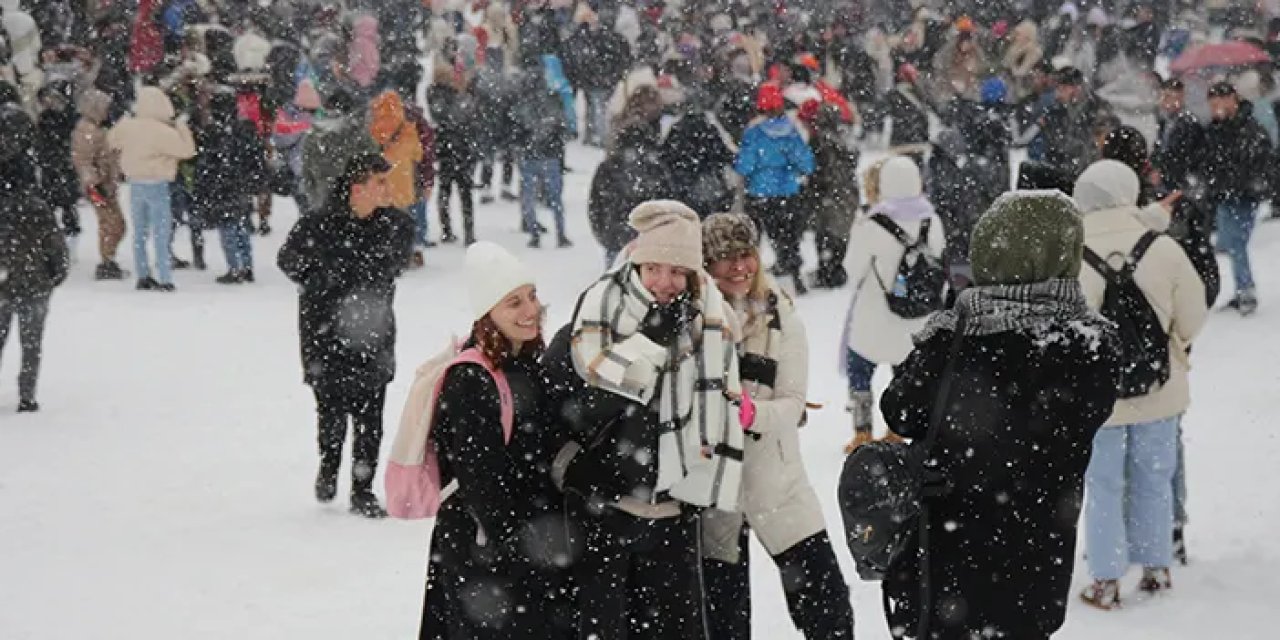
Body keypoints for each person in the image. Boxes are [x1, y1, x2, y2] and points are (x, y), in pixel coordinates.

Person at [877, 190, 1120, 640]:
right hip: (1036, 564)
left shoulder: (955, 335)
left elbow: (900, 412)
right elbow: (1083, 417)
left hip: (945, 559)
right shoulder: (1092, 345)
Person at [545, 201, 745, 640]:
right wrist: (650, 340)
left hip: (674, 508)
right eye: (654, 268)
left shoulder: (709, 324)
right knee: (606, 628)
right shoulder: (596, 315)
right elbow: (576, 407)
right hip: (606, 506)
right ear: (635, 263)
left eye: (677, 272)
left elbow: (720, 410)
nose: (664, 283)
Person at [698, 213, 855, 640]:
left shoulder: (780, 313)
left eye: (745, 254)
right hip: (715, 495)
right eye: (724, 257)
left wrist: (751, 414)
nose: (738, 267)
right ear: (705, 265)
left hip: (776, 482)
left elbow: (792, 402)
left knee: (829, 611)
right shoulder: (693, 320)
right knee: (725, 624)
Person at [419, 241, 574, 639]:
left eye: (532, 296)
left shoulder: (526, 363)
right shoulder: (471, 379)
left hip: (516, 546)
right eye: (513, 303)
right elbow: (480, 480)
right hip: (484, 551)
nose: (530, 310)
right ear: (488, 314)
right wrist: (518, 550)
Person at [1072, 160, 1209, 609]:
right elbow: (1193, 312)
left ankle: (1106, 580)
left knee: (1104, 484)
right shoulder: (1162, 247)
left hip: (1098, 398)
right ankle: (1156, 567)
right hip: (1160, 388)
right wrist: (1174, 348)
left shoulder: (1071, 250)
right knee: (1154, 478)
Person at [277, 152, 415, 518]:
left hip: (373, 333)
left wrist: (351, 272)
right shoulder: (317, 224)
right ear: (357, 188)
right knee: (331, 411)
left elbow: (391, 263)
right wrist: (322, 282)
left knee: (372, 416)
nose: (387, 189)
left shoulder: (396, 225)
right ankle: (329, 466)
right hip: (324, 334)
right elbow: (289, 260)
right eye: (379, 182)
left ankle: (362, 488)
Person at [841, 156, 945, 452]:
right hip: (917, 319)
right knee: (904, 375)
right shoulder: (932, 220)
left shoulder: (871, 223)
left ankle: (862, 431)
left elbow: (852, 271)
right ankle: (896, 428)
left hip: (874, 317)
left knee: (859, 369)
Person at [0, 105, 69, 413]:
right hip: (34, 282)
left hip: (3, 280)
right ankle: (27, 395)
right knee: (32, 345)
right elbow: (56, 250)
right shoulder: (37, 209)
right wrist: (54, 275)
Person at [107, 85, 196, 292]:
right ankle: (165, 278)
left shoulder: (128, 127)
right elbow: (187, 151)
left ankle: (143, 275)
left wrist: (124, 120)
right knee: (161, 233)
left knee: (140, 233)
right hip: (158, 184)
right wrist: (182, 126)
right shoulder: (163, 132)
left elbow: (111, 140)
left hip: (135, 183)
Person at [734, 83, 815, 295]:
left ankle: (750, 284)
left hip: (759, 194)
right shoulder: (791, 131)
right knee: (788, 240)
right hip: (787, 193)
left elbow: (744, 165)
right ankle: (795, 278)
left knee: (753, 242)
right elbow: (806, 163)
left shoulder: (754, 133)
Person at [1202, 81, 1270, 315]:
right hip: (1225, 194)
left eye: (1221, 101)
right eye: (1213, 104)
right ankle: (1242, 288)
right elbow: (1210, 159)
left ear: (1233, 99)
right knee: (1231, 244)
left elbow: (1260, 160)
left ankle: (1246, 288)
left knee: (1236, 242)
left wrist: (1250, 184)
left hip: (1244, 195)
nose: (1217, 107)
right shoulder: (1216, 129)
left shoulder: (1249, 128)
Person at [588, 86, 670, 265]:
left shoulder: (610, 167)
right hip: (644, 237)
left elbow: (596, 205)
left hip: (618, 234)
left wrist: (605, 234)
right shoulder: (655, 167)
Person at [193, 89, 265, 284]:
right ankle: (247, 266)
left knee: (227, 228)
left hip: (220, 187)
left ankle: (234, 268)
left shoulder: (212, 134)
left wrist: (202, 189)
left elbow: (205, 164)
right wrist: (254, 181)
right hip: (240, 185)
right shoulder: (244, 131)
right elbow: (255, 159)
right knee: (241, 225)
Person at [799, 101, 859, 289]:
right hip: (847, 191)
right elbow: (853, 161)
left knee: (824, 233)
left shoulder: (819, 140)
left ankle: (826, 271)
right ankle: (836, 268)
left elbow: (815, 169)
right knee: (841, 233)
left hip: (826, 193)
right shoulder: (847, 137)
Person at [512, 58, 571, 249]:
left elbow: (517, 127)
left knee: (529, 195)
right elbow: (561, 125)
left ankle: (534, 233)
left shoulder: (523, 102)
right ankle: (560, 234)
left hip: (530, 154)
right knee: (555, 198)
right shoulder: (553, 99)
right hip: (550, 154)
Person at [71, 87, 126, 280]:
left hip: (106, 185)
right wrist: (94, 183)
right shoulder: (86, 130)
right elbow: (83, 161)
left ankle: (109, 259)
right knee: (111, 224)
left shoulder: (97, 127)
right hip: (98, 188)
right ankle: (107, 261)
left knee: (115, 224)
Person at [300, 88, 378, 215]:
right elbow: (375, 166)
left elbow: (307, 175)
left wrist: (315, 201)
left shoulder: (314, 136)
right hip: (357, 201)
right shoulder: (360, 136)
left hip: (324, 200)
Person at [428, 64, 478, 245]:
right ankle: (468, 232)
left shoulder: (433, 95)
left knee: (445, 191)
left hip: (445, 151)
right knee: (465, 194)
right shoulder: (457, 99)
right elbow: (467, 119)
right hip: (461, 151)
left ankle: (446, 229)